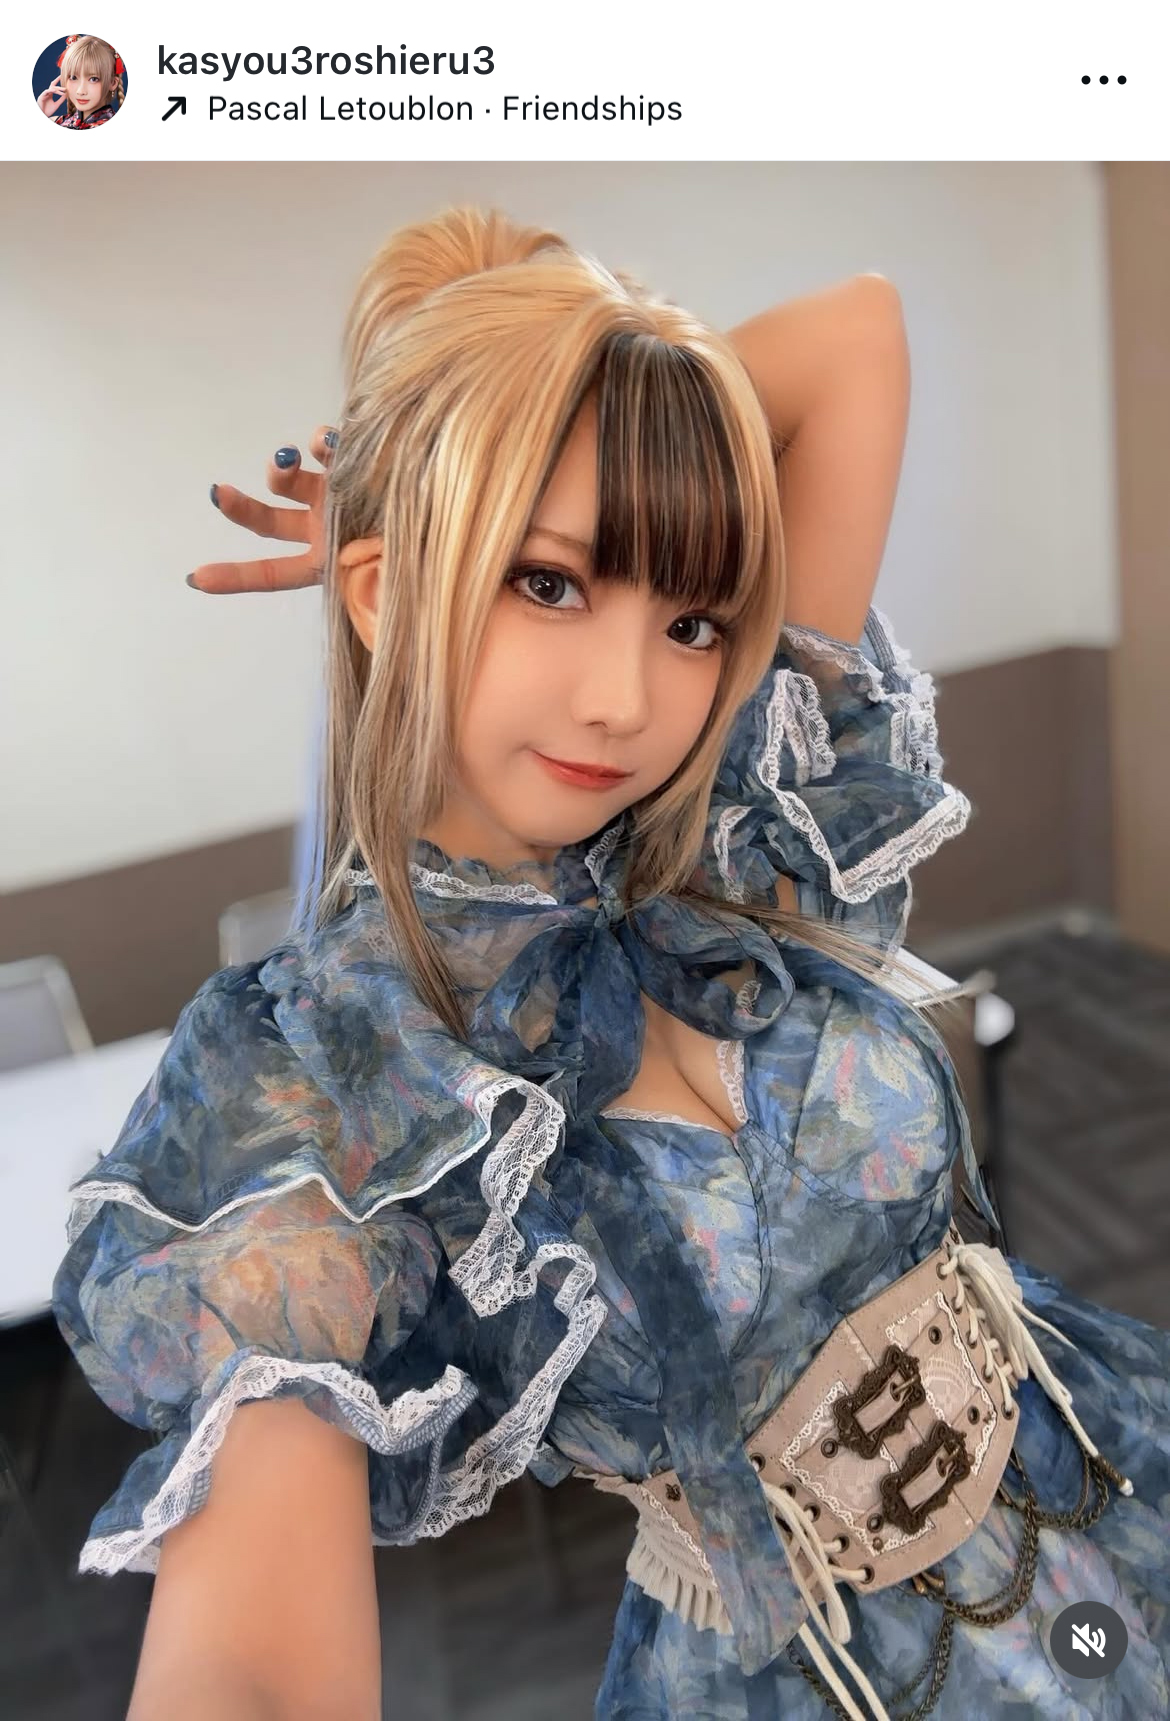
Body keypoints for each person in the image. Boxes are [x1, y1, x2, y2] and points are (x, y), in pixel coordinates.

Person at [53, 207, 1169, 1720]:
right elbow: (248, 1662)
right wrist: (453, 487)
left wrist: (519, 468)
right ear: (380, 592)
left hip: (1103, 1481)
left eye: (692, 616)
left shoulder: (734, 813)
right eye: (548, 584)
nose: (628, 700)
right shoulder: (326, 1068)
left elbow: (855, 333)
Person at [37, 34, 124, 129]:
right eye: (73, 77)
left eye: (93, 79)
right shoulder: (56, 122)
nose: (80, 91)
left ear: (112, 83)